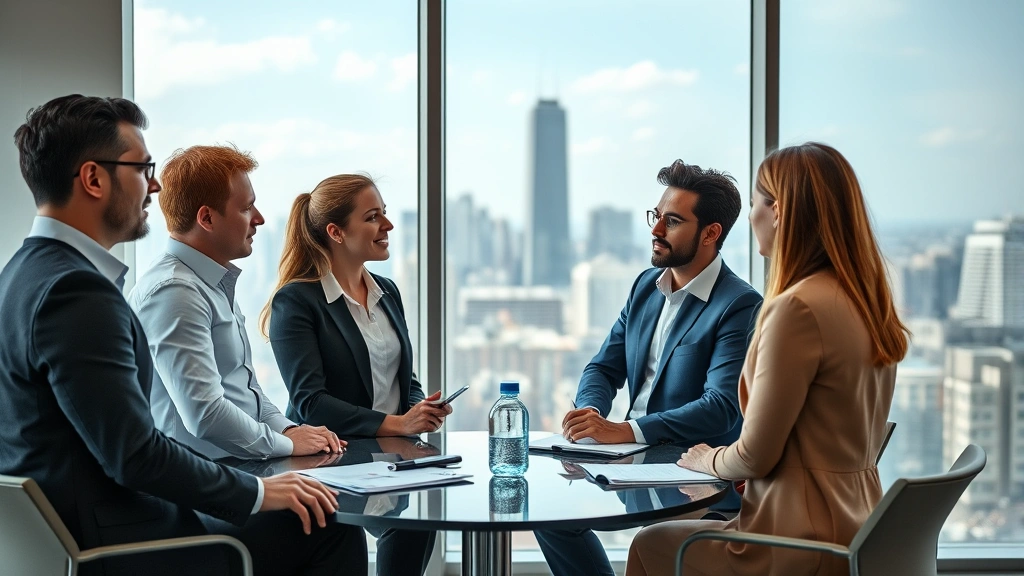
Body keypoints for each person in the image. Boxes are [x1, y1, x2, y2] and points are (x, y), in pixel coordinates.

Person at [0, 95, 367, 576]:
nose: (153, 186)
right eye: (140, 168)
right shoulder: (77, 291)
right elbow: (135, 455)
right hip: (116, 541)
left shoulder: (21, 274)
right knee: (330, 524)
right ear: (93, 178)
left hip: (71, 530)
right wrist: (257, 492)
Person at [625, 142, 909, 576]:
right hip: (859, 529)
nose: (753, 216)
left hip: (792, 540)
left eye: (757, 203)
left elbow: (756, 454)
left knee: (650, 544)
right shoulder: (866, 302)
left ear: (778, 211)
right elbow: (821, 432)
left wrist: (708, 460)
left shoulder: (796, 308)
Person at [536, 160, 763, 576]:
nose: (656, 230)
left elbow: (722, 406)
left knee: (648, 541)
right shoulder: (646, 286)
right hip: (629, 462)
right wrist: (591, 413)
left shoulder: (739, 304)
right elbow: (602, 368)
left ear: (711, 233)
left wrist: (627, 431)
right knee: (550, 515)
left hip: (690, 476)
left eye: (672, 221)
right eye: (656, 216)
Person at [262, 174, 444, 576]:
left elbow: (403, 376)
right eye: (373, 217)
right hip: (331, 460)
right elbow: (311, 401)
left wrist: (419, 409)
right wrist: (396, 422)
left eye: (385, 215)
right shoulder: (297, 301)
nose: (388, 226)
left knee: (416, 522)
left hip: (393, 456)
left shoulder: (387, 291)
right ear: (336, 232)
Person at [128, 144, 344, 463]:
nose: (259, 219)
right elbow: (205, 414)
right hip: (203, 487)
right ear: (207, 218)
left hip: (236, 470)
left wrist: (290, 432)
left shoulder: (211, 281)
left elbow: (247, 393)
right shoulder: (174, 291)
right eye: (246, 208)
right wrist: (287, 445)